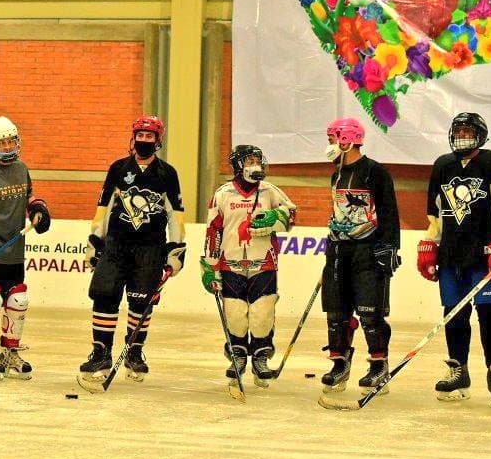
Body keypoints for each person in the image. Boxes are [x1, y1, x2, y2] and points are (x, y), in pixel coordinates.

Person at [416, 112, 491, 404]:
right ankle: (458, 369)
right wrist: (429, 243)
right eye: (457, 131)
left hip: (485, 255)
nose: (461, 136)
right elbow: (435, 212)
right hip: (451, 257)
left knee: (490, 312)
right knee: (454, 313)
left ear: (481, 135)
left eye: (467, 131)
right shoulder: (442, 166)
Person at [78, 115, 186, 383]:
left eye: (150, 137)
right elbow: (103, 208)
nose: (144, 141)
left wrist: (176, 251)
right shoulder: (117, 169)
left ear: (158, 140)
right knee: (104, 295)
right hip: (116, 245)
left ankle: (134, 352)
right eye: (140, 135)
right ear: (133, 136)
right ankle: (100, 352)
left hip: (150, 248)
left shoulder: (168, 174)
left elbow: (176, 215)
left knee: (141, 300)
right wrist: (94, 241)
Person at [201, 145, 297, 391]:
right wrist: (210, 267)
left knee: (262, 314)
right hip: (230, 265)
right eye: (249, 161)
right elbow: (214, 230)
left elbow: (291, 214)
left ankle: (261, 358)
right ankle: (238, 355)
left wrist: (276, 218)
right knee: (235, 315)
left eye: (257, 161)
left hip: (263, 263)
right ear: (237, 166)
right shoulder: (223, 194)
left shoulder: (269, 191)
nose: (255, 166)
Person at [0, 116, 51, 381]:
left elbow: (28, 195)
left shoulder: (21, 168)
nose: (7, 146)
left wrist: (37, 207)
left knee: (17, 300)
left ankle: (10, 352)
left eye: (10, 141)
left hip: (14, 251)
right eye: (1, 142)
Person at [320, 118, 401, 395]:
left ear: (348, 139)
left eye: (333, 138)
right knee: (337, 312)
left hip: (367, 251)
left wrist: (390, 246)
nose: (330, 144)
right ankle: (339, 363)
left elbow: (389, 211)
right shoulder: (336, 174)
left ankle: (379, 365)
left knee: (370, 312)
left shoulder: (375, 172)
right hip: (339, 250)